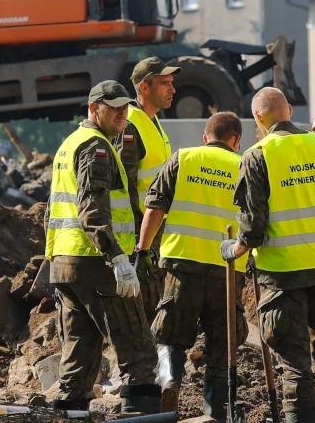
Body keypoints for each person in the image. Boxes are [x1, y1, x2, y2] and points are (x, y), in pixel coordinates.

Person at [220, 87, 315, 422]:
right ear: (290, 111)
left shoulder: (258, 155)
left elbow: (253, 226)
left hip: (282, 277)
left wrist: (234, 249)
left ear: (257, 117)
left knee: (296, 367)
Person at [45, 80, 162, 414]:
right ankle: (141, 417)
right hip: (98, 263)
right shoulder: (94, 148)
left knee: (79, 355)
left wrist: (53, 263)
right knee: (138, 350)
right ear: (93, 109)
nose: (122, 114)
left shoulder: (69, 144)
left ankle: (71, 414)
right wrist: (117, 259)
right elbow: (91, 211)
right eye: (113, 108)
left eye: (125, 107)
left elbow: (51, 211)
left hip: (68, 264)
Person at [136, 111, 246, 418]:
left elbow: (154, 207)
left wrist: (143, 249)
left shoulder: (183, 158)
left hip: (182, 265)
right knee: (222, 346)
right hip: (228, 270)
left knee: (169, 334)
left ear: (205, 137)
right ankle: (216, 411)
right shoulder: (245, 167)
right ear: (236, 140)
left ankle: (169, 379)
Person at [122, 56, 179, 320]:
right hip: (140, 233)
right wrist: (138, 240)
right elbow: (125, 187)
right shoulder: (131, 125)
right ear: (144, 87)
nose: (172, 89)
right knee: (145, 306)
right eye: (164, 83)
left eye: (171, 83)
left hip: (154, 228)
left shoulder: (152, 122)